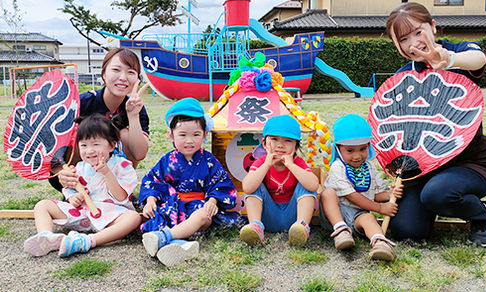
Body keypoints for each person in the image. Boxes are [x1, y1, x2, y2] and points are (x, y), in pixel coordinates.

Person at [385, 2, 486, 247]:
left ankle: (482, 216)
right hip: (424, 169)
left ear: (433, 27)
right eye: (404, 39)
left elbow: (478, 59)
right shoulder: (401, 77)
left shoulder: (458, 54)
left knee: (437, 193)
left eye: (418, 32)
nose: (414, 43)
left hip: (470, 163)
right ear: (396, 45)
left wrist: (449, 60)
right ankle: (431, 204)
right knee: (406, 230)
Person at [138, 98, 242, 266]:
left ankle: (165, 237)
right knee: (156, 216)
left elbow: (220, 182)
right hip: (173, 206)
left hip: (198, 207)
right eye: (182, 135)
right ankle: (180, 245)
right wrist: (150, 200)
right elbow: (152, 180)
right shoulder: (167, 160)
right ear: (170, 135)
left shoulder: (208, 160)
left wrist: (213, 201)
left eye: (196, 135)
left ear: (205, 134)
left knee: (203, 215)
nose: (189, 141)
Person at [24, 114, 141, 257]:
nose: (89, 150)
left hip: (110, 215)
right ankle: (47, 237)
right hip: (81, 214)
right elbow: (71, 188)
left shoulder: (122, 166)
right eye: (84, 145)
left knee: (133, 218)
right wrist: (73, 197)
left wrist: (107, 173)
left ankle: (87, 241)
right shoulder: (79, 167)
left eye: (96, 144)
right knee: (42, 205)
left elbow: (121, 197)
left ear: (112, 145)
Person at [53, 47, 150, 191]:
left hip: (114, 181)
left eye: (130, 72)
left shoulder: (137, 108)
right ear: (104, 74)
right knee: (85, 133)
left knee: (124, 134)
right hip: (71, 178)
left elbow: (139, 154)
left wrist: (133, 116)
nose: (123, 77)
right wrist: (61, 172)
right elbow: (52, 146)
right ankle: (78, 193)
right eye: (116, 70)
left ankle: (118, 192)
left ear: (137, 79)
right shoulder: (82, 103)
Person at [320, 114, 403, 261]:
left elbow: (375, 194)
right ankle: (341, 230)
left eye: (362, 149)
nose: (357, 156)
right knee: (327, 193)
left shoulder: (369, 168)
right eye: (350, 150)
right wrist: (380, 208)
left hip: (358, 214)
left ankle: (379, 242)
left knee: (368, 218)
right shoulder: (337, 167)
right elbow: (351, 195)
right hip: (335, 213)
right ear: (338, 149)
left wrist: (390, 194)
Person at [240, 115, 319, 247]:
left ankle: (302, 227)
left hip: (293, 218)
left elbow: (313, 185)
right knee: (254, 184)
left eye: (288, 141)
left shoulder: (297, 163)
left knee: (306, 184)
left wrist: (291, 166)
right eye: (274, 139)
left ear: (295, 147)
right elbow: (247, 187)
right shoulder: (261, 162)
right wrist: (266, 165)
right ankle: (255, 226)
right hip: (268, 217)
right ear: (264, 144)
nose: (280, 145)